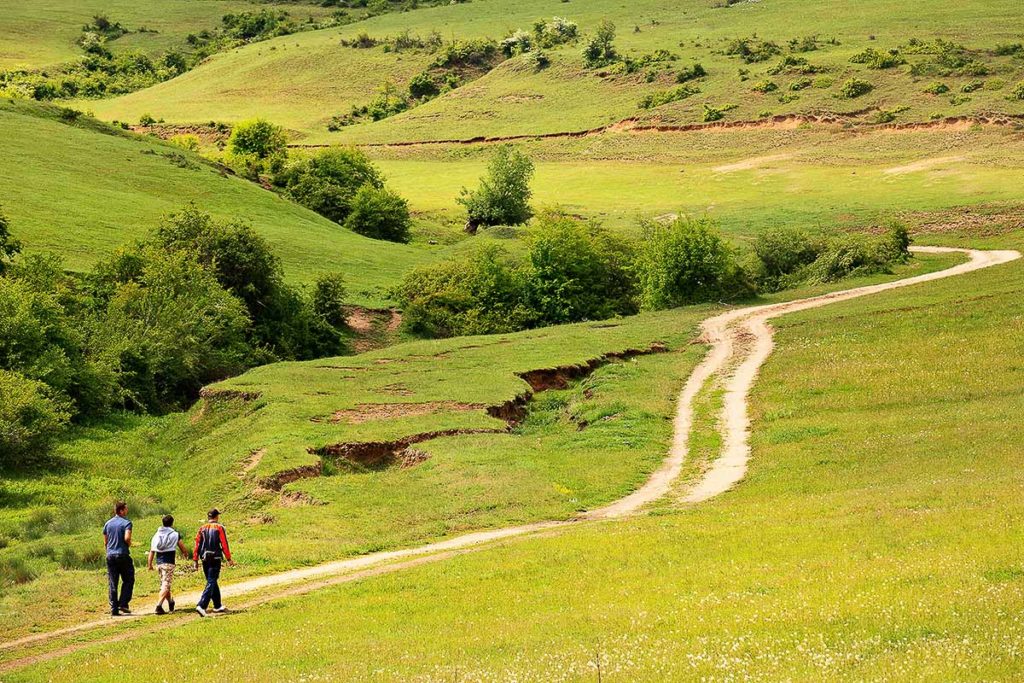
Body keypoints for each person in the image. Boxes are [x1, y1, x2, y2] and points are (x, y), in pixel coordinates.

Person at [193, 508, 235, 617]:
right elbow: (224, 544)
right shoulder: (219, 528)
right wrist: (229, 558)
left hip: (204, 558)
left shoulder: (202, 528)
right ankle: (202, 605)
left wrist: (195, 560)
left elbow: (197, 545)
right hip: (215, 557)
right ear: (216, 517)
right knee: (211, 581)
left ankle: (217, 605)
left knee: (211, 580)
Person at [147, 515, 189, 615]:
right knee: (166, 584)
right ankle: (159, 606)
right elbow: (182, 547)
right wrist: (186, 554)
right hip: (169, 562)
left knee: (165, 584)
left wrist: (150, 564)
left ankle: (170, 602)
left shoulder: (156, 535)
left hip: (159, 562)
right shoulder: (174, 534)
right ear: (172, 523)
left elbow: (152, 551)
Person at [102, 501, 134, 617]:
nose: (127, 511)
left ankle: (113, 608)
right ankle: (123, 603)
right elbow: (127, 538)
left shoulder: (107, 524)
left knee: (112, 582)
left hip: (110, 555)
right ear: (121, 510)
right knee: (128, 579)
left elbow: (105, 541)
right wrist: (130, 543)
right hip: (122, 554)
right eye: (125, 509)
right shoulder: (127, 523)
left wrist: (109, 551)